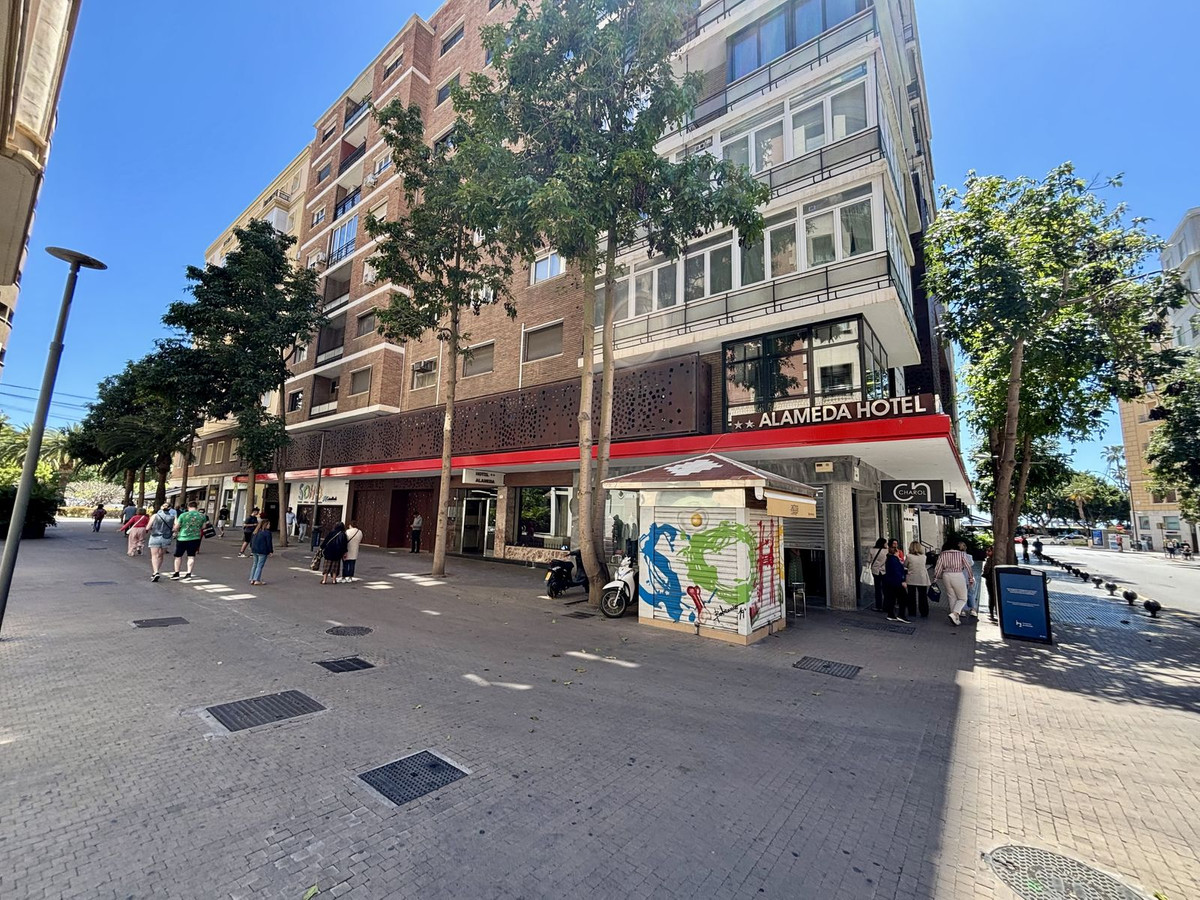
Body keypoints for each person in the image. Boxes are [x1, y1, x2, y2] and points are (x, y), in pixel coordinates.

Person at [934, 537, 976, 626]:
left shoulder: (943, 554)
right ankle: (955, 613)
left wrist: (936, 578)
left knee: (951, 597)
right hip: (958, 574)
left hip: (946, 575)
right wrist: (971, 578)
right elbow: (968, 566)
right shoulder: (961, 554)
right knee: (963, 598)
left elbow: (938, 567)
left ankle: (955, 618)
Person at [171, 501, 207, 580]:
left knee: (178, 556)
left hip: (182, 537)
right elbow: (203, 527)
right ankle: (188, 574)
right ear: (196, 507)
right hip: (195, 538)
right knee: (191, 556)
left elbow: (176, 527)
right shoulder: (202, 516)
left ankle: (176, 573)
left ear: (188, 507)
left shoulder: (183, 515)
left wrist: (175, 530)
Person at [146, 502, 175, 582]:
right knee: (160, 555)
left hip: (155, 536)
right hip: (166, 537)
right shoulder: (172, 517)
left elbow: (148, 527)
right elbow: (175, 528)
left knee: (154, 555)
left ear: (161, 507)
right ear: (170, 508)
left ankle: (155, 572)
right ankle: (157, 571)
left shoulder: (155, 516)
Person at [904, 540, 931, 618]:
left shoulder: (908, 556)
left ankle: (912, 612)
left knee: (911, 596)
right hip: (922, 578)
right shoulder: (924, 556)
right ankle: (924, 612)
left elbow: (905, 565)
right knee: (923, 596)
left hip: (911, 577)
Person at [883, 544, 910, 624]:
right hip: (896, 582)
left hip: (890, 581)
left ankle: (891, 614)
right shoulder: (894, 560)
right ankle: (901, 615)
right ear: (896, 552)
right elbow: (897, 571)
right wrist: (902, 581)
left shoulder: (889, 559)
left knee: (892, 598)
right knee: (903, 598)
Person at [248, 518, 273, 585]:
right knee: (260, 565)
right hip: (263, 550)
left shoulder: (256, 531)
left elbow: (251, 541)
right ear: (266, 525)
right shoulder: (267, 533)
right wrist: (270, 551)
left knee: (255, 564)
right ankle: (256, 579)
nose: (270, 525)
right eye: (269, 524)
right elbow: (269, 543)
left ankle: (252, 579)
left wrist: (251, 548)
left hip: (254, 550)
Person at [868, 538, 888, 612]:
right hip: (884, 571)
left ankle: (878, 606)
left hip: (875, 571)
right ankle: (885, 606)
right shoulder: (886, 551)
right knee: (885, 589)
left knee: (877, 589)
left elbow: (868, 560)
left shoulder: (871, 550)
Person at [982, 547, 997, 621]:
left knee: (992, 596)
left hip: (991, 579)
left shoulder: (991, 559)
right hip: (989, 579)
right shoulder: (989, 559)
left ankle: (992, 613)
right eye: (987, 550)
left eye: (989, 551)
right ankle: (991, 612)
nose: (987, 552)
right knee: (991, 596)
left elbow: (986, 569)